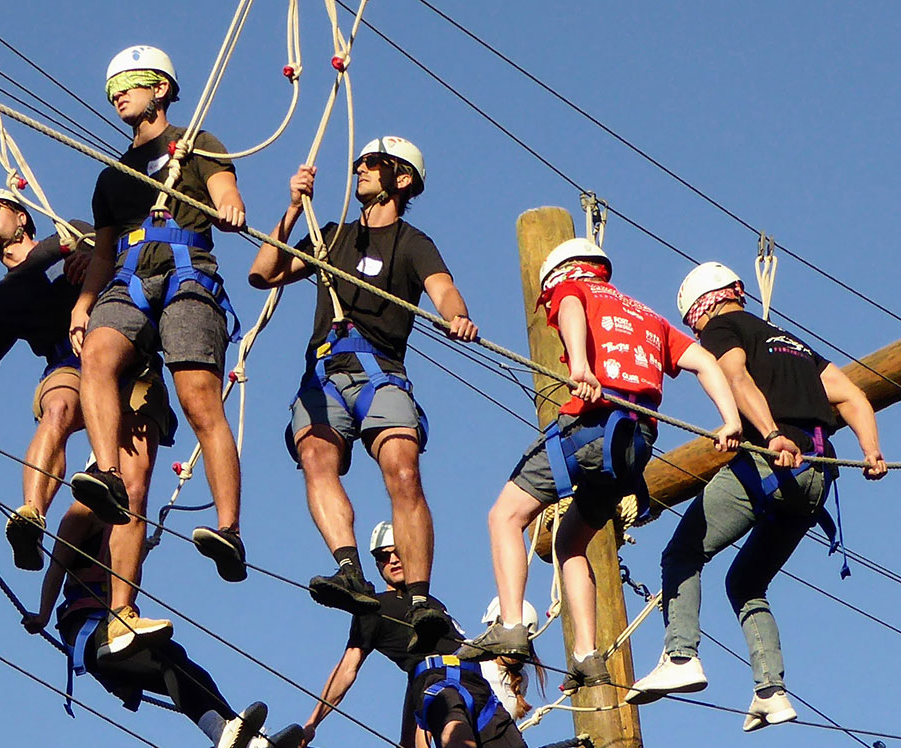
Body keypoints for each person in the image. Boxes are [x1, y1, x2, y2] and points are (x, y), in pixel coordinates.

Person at [461, 239, 742, 694]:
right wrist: (729, 420)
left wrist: (584, 366)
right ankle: (587, 656)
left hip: (591, 428)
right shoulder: (649, 316)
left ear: (563, 272)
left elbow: (570, 305)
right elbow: (705, 362)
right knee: (570, 542)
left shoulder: (573, 288)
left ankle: (511, 623)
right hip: (635, 446)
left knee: (504, 517)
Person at [625, 262, 886, 731]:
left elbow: (735, 376)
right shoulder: (797, 346)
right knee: (746, 585)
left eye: (693, 324)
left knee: (682, 553)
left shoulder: (723, 329)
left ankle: (681, 655)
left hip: (770, 463)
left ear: (701, 309)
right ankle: (772, 692)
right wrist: (872, 452)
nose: (697, 331)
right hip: (816, 478)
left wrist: (769, 433)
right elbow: (851, 396)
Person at [250, 137, 477, 643]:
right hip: (326, 371)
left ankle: (420, 598)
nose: (360, 171)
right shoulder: (330, 236)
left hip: (380, 371)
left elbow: (441, 287)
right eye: (359, 165)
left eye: (372, 165)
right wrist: (291, 208)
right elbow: (263, 273)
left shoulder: (413, 242)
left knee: (402, 468)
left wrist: (456, 316)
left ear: (401, 178)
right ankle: (349, 569)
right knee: (315, 457)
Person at [0, 189, 175, 574]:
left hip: (124, 353)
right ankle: (31, 516)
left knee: (133, 489)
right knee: (56, 408)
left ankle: (122, 607)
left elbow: (129, 255)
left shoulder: (69, 237)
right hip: (67, 362)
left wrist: (94, 261)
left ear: (22, 216)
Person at [68, 45, 251, 633]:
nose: (119, 94)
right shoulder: (112, 176)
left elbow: (226, 191)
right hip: (127, 274)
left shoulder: (198, 144)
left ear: (162, 89)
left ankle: (228, 530)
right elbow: (102, 250)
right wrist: (82, 302)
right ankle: (107, 472)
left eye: (131, 83)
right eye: (112, 87)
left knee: (200, 400)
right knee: (97, 352)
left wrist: (227, 207)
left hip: (187, 271)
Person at [26, 500, 304, 748]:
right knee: (167, 656)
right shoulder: (82, 510)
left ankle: (244, 740)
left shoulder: (125, 518)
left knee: (184, 667)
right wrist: (43, 614)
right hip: (89, 631)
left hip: (113, 631)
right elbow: (56, 567)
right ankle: (225, 737)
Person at [303, 523, 534, 748]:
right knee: (456, 731)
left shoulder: (430, 604)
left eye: (399, 552)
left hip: (479, 687)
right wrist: (312, 723)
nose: (392, 560)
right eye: (384, 556)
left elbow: (412, 685)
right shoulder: (372, 608)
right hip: (438, 686)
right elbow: (346, 669)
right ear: (377, 564)